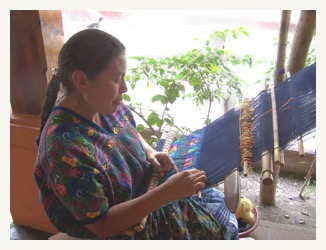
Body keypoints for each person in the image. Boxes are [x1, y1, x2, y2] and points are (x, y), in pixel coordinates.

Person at [34, 29, 239, 240]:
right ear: (81, 81)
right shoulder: (63, 149)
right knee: (225, 229)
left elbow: (127, 131)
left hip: (151, 195)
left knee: (219, 205)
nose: (125, 87)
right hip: (130, 228)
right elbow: (102, 225)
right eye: (116, 79)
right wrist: (167, 192)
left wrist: (149, 152)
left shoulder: (106, 106)